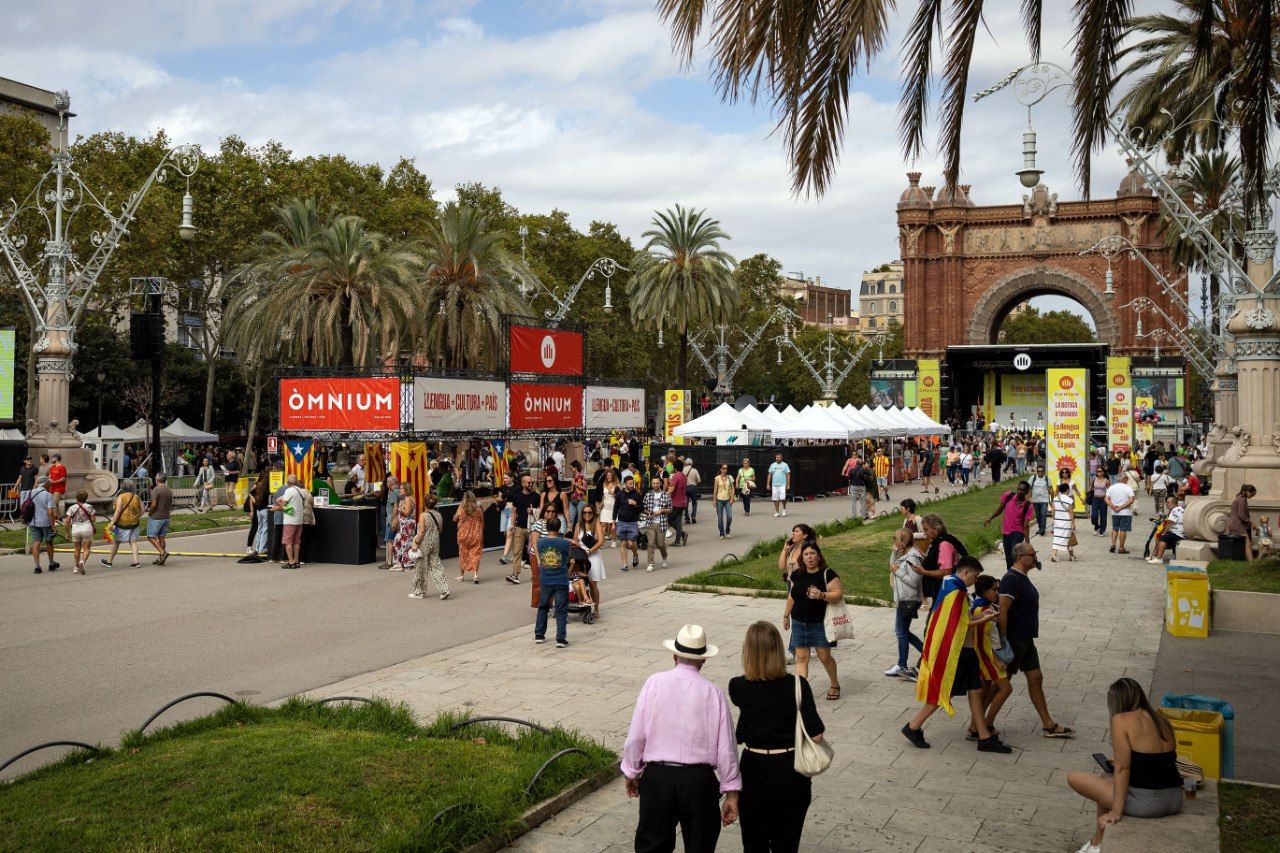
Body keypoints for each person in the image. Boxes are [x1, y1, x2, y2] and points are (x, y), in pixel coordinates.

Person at [621, 624, 740, 853]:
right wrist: (731, 792)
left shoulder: (654, 683)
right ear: (703, 660)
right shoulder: (713, 692)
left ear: (674, 656)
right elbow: (726, 749)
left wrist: (631, 772)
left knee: (652, 847)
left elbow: (636, 737)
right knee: (700, 846)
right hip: (699, 782)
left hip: (658, 779)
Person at [729, 621, 825, 853]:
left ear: (748, 652)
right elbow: (818, 735)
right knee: (787, 843)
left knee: (754, 843)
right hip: (791, 769)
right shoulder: (797, 685)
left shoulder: (738, 687)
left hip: (753, 768)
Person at [901, 555, 1011, 753]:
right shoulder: (957, 593)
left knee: (976, 691)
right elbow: (960, 626)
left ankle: (983, 736)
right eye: (974, 576)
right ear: (965, 572)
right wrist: (984, 619)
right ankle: (913, 726)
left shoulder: (951, 587)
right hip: (958, 651)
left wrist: (981, 615)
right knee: (945, 691)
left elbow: (960, 619)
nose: (975, 581)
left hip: (963, 650)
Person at [1067, 678, 1184, 853]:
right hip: (1175, 798)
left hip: (1148, 804)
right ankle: (1096, 842)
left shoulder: (1121, 720)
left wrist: (1115, 811)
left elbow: (1123, 769)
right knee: (1106, 777)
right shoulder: (1160, 718)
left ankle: (1097, 843)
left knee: (1075, 777)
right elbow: (1158, 760)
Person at [995, 542, 1076, 738]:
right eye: (1032, 555)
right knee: (1000, 685)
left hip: (1026, 639)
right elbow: (1003, 610)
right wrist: (1003, 641)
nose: (1035, 558)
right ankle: (979, 723)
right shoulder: (1011, 579)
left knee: (1036, 678)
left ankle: (1048, 724)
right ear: (1020, 557)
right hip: (1015, 639)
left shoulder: (1022, 578)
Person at [782, 542, 842, 701]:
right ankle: (800, 691)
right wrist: (786, 615)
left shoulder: (827, 574)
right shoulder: (797, 574)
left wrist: (822, 595)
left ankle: (835, 684)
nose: (809, 557)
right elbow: (792, 596)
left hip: (819, 624)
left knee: (824, 657)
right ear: (802, 557)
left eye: (812, 553)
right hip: (799, 623)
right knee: (801, 658)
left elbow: (838, 594)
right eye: (806, 554)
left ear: (819, 555)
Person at [969, 573, 1013, 742]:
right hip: (987, 659)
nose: (997, 592)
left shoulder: (985, 605)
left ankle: (975, 726)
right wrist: (997, 661)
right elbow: (979, 641)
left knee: (986, 691)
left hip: (986, 658)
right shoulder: (981, 609)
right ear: (985, 591)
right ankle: (986, 724)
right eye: (995, 589)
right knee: (1006, 688)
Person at [885, 527, 923, 680]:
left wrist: (897, 572)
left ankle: (902, 665)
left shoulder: (912, 557)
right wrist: (894, 552)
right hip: (904, 599)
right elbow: (892, 565)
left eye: (896, 539)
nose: (894, 542)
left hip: (908, 600)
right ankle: (926, 653)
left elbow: (914, 581)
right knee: (903, 632)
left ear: (902, 541)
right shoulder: (906, 554)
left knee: (901, 632)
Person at [533, 516, 571, 646]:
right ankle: (560, 638)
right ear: (559, 528)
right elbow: (566, 558)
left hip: (546, 578)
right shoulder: (564, 543)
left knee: (543, 606)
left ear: (546, 528)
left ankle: (539, 634)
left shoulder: (540, 542)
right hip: (560, 579)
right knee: (561, 609)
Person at [984, 480, 1033, 569]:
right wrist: (990, 518)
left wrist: (1027, 542)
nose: (1019, 492)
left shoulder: (1028, 506)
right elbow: (999, 510)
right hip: (1006, 531)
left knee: (1013, 552)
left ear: (1027, 492)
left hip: (1018, 532)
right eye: (1018, 489)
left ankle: (1017, 571)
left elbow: (1026, 526)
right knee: (1008, 558)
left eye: (1022, 490)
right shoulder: (1008, 496)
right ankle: (1010, 575)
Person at [409, 494, 449, 600]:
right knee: (436, 565)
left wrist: (416, 541)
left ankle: (419, 591)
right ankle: (444, 589)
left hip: (424, 542)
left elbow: (421, 530)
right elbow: (440, 529)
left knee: (421, 566)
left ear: (424, 504)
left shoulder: (423, 515)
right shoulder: (438, 515)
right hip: (435, 542)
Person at [503, 474, 541, 584]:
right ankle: (515, 575)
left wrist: (533, 510)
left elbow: (540, 511)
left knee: (532, 553)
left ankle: (534, 575)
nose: (531, 484)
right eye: (529, 483)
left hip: (533, 529)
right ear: (523, 484)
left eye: (532, 482)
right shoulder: (517, 496)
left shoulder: (536, 496)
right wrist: (512, 525)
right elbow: (514, 512)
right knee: (517, 552)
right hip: (519, 527)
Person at [101, 480, 144, 569]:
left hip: (122, 524)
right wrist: (137, 516)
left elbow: (118, 511)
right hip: (134, 523)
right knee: (133, 542)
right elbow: (143, 510)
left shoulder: (121, 497)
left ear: (123, 487)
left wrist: (112, 522)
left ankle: (109, 561)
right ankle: (136, 562)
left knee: (116, 542)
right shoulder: (136, 497)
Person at [573, 503, 606, 619]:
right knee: (581, 581)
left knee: (593, 583)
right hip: (581, 556)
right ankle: (584, 605)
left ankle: (596, 608)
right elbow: (575, 541)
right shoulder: (578, 525)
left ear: (593, 513)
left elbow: (601, 541)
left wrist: (590, 551)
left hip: (593, 555)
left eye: (589, 512)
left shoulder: (596, 524)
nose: (587, 515)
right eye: (584, 513)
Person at [274, 473, 308, 570]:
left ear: (288, 482)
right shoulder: (301, 491)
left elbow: (284, 505)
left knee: (288, 541)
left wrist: (278, 503)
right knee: (296, 541)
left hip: (290, 520)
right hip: (299, 519)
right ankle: (296, 561)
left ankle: (291, 561)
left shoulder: (289, 490)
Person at [27, 475, 59, 574]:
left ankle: (37, 566)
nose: (50, 483)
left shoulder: (30, 493)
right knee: (49, 542)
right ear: (45, 483)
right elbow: (50, 512)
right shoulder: (47, 495)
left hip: (33, 521)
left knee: (36, 543)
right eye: (49, 482)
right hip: (45, 522)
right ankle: (51, 563)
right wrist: (53, 526)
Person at [615, 474, 644, 572]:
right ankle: (625, 564)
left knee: (631, 543)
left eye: (633, 483)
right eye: (630, 483)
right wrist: (613, 522)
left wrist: (635, 503)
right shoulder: (620, 495)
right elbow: (615, 508)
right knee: (623, 543)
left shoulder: (637, 494)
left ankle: (635, 555)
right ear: (625, 484)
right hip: (622, 521)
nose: (632, 485)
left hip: (632, 522)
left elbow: (642, 508)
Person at [64, 488, 97, 574]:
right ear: (86, 498)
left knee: (76, 549)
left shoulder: (71, 508)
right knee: (86, 548)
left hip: (75, 529)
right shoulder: (89, 507)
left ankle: (76, 567)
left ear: (76, 498)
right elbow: (93, 519)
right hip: (87, 529)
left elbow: (67, 521)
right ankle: (82, 562)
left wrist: (66, 532)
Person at [643, 475, 672, 572]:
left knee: (660, 544)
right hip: (650, 523)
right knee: (650, 544)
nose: (655, 485)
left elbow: (670, 509)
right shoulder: (648, 495)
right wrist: (648, 513)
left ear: (660, 483)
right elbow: (643, 508)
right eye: (653, 483)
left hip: (661, 523)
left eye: (657, 483)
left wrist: (661, 510)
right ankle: (650, 563)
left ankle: (664, 556)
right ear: (651, 484)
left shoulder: (665, 495)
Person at [454, 490, 483, 584]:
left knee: (463, 554)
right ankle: (475, 575)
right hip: (476, 533)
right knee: (475, 554)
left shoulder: (461, 507)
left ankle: (462, 575)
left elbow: (454, 518)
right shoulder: (478, 508)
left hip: (463, 533)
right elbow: (482, 520)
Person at [146, 473, 174, 566]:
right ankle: (161, 558)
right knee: (162, 537)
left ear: (157, 479)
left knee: (151, 536)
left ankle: (163, 552)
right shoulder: (169, 490)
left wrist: (150, 512)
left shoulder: (156, 489)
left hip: (156, 517)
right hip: (166, 516)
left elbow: (154, 504)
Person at [1148, 495, 1185, 564]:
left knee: (1163, 537)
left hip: (1177, 533)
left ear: (1173, 503)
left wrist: (1164, 533)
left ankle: (1158, 558)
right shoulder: (1180, 509)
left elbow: (1169, 523)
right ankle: (1154, 556)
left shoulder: (1175, 510)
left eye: (1167, 502)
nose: (1166, 504)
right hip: (1179, 533)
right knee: (1162, 536)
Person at [1106, 475, 1137, 555]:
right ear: (1124, 479)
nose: (1127, 480)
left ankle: (1113, 544)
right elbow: (1131, 500)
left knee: (1115, 528)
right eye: (1127, 478)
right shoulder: (1128, 488)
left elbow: (1106, 499)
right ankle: (1121, 548)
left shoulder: (1111, 487)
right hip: (1126, 512)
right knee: (1123, 530)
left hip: (1114, 512)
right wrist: (1121, 507)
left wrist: (1113, 506)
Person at [390, 484, 418, 571]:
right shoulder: (405, 499)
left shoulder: (408, 499)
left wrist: (400, 508)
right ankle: (399, 563)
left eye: (401, 488)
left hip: (407, 525)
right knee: (397, 543)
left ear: (406, 489)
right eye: (399, 488)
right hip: (403, 525)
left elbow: (407, 513)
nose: (399, 490)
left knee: (406, 544)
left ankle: (407, 564)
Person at [1226, 484, 1257, 561]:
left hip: (1234, 524)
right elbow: (1241, 515)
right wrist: (1251, 523)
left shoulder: (1239, 498)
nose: (1252, 496)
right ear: (1247, 492)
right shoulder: (1242, 499)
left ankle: (1236, 560)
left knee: (1239, 544)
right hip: (1237, 524)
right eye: (1252, 494)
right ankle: (1252, 564)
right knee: (1248, 544)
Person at [1050, 483, 1077, 562]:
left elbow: (1053, 511)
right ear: (1068, 490)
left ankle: (1054, 555)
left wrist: (1054, 520)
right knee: (1069, 538)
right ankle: (1071, 556)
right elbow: (1071, 513)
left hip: (1058, 522)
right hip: (1067, 522)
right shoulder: (1070, 500)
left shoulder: (1055, 499)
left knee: (1057, 538)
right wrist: (1073, 523)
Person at [248, 475, 272, 557]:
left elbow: (250, 493)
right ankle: (262, 548)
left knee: (260, 529)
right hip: (265, 509)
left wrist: (255, 501)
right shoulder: (268, 488)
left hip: (258, 510)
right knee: (265, 529)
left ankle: (257, 548)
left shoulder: (258, 486)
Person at [1028, 464, 1052, 537]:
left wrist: (1052, 501)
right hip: (1035, 500)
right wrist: (1029, 497)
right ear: (1037, 472)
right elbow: (1028, 487)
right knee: (1038, 515)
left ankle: (1042, 529)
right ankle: (1040, 528)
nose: (1040, 473)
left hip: (1044, 500)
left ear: (1044, 472)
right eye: (1038, 471)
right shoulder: (1033, 478)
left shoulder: (1047, 479)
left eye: (1041, 471)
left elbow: (1051, 489)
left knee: (1043, 514)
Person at [713, 463, 735, 539]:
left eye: (726, 468)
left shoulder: (730, 477)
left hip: (728, 499)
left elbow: (732, 488)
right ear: (720, 469)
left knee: (729, 517)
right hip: (719, 499)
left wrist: (732, 498)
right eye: (723, 468)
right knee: (720, 518)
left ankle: (727, 531)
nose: (725, 470)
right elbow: (715, 489)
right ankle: (722, 533)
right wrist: (714, 500)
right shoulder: (717, 478)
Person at [668, 463, 688, 546]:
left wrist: (664, 496)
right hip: (683, 501)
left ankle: (682, 534)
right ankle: (678, 540)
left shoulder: (675, 476)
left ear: (675, 468)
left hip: (676, 502)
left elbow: (671, 489)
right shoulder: (684, 476)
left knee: (669, 520)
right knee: (678, 521)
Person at [768, 452, 791, 517]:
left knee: (783, 498)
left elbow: (788, 475)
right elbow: (769, 474)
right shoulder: (772, 465)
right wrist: (768, 484)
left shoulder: (785, 465)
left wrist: (788, 484)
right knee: (775, 499)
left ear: (781, 458)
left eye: (779, 457)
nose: (777, 458)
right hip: (774, 484)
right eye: (776, 457)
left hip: (782, 484)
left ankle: (784, 508)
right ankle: (777, 512)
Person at [844, 453, 867, 519]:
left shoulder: (851, 470)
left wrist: (850, 485)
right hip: (862, 486)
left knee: (853, 501)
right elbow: (865, 478)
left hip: (853, 486)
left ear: (856, 464)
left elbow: (849, 479)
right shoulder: (864, 470)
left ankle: (854, 515)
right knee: (863, 501)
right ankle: (863, 515)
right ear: (862, 464)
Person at [1090, 468, 1110, 535]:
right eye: (1097, 471)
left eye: (1100, 471)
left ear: (1103, 472)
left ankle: (1102, 530)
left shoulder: (1106, 481)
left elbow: (1110, 491)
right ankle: (1096, 526)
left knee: (1103, 516)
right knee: (1094, 515)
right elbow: (1091, 488)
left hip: (1103, 500)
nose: (1098, 472)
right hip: (1095, 499)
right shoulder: (1094, 479)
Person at [684, 458, 701, 525]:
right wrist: (695, 482)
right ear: (692, 463)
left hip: (685, 487)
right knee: (694, 502)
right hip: (693, 487)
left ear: (685, 463)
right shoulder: (694, 470)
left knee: (685, 503)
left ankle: (687, 518)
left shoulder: (683, 470)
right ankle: (693, 516)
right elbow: (699, 480)